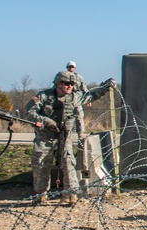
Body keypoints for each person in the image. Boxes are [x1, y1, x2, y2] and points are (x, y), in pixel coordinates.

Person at [27, 71, 114, 204]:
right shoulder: (44, 96)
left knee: (68, 164)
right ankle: (41, 194)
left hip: (64, 137)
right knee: (41, 164)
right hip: (45, 137)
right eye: (66, 83)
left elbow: (91, 95)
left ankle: (71, 194)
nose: (70, 86)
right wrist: (46, 121)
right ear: (58, 83)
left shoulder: (74, 97)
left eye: (72, 84)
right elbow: (30, 113)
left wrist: (104, 88)